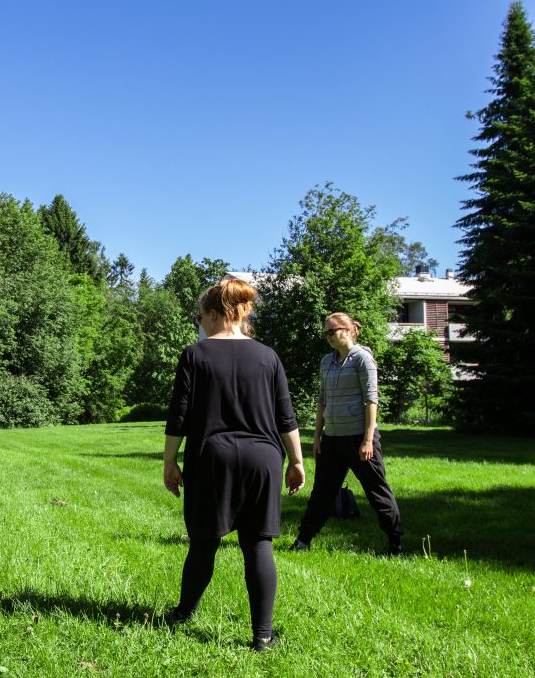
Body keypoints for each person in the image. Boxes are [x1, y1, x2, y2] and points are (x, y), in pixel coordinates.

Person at [163, 279, 305, 652]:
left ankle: (182, 614)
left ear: (214, 314)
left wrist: (169, 461)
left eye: (200, 317)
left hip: (213, 458)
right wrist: (297, 460)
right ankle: (262, 636)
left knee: (204, 543)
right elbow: (285, 416)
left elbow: (179, 416)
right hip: (265, 459)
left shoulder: (195, 355)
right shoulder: (268, 356)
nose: (200, 324)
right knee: (258, 544)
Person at [291, 312, 403, 556]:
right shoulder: (326, 362)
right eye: (325, 333)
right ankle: (302, 541)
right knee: (321, 493)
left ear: (348, 329)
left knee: (377, 492)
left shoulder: (363, 359)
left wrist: (367, 439)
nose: (328, 336)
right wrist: (318, 436)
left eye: (332, 331)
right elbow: (322, 400)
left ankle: (395, 543)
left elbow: (371, 400)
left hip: (359, 439)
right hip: (332, 440)